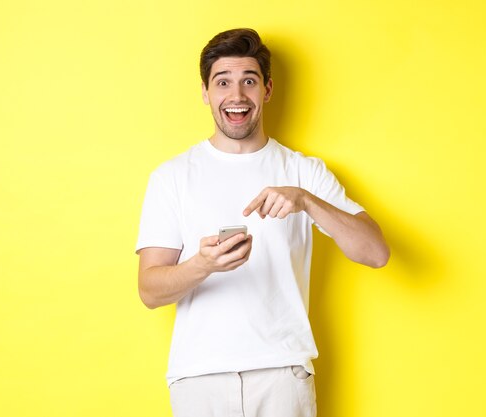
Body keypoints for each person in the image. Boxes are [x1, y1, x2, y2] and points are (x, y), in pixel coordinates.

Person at [136, 28, 389, 417]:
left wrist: (305, 200)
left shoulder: (303, 172)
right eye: (223, 83)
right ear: (205, 92)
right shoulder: (171, 177)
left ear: (267, 90)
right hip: (199, 378)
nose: (236, 96)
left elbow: (375, 253)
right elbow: (150, 290)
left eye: (248, 82)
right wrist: (204, 264)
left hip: (282, 374)